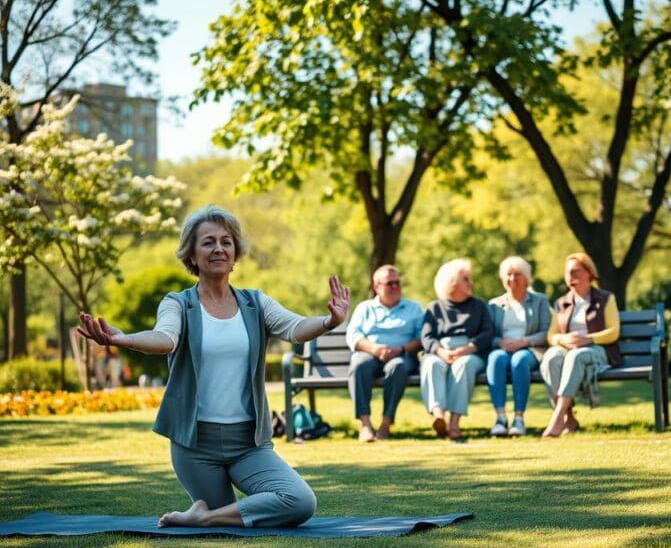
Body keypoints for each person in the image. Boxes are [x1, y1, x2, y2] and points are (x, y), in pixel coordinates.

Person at [78, 205, 350, 528]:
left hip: (248, 444)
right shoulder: (178, 303)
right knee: (234, 518)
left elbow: (294, 328)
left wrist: (328, 321)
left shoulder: (255, 303)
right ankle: (213, 513)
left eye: (226, 242)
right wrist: (124, 339)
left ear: (235, 254)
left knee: (300, 501)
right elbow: (165, 338)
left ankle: (203, 516)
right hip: (195, 445)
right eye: (208, 242)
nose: (219, 248)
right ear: (191, 255)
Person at [540, 252, 620, 438]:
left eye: (576, 271)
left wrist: (588, 339)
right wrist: (563, 339)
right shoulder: (561, 303)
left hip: (598, 351)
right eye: (568, 273)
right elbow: (551, 335)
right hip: (568, 349)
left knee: (577, 356)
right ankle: (569, 418)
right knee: (551, 357)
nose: (571, 276)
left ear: (589, 273)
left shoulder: (606, 298)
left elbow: (614, 332)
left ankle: (557, 417)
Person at [345, 265, 423, 442]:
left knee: (398, 366)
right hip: (370, 354)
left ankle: (386, 423)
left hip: (402, 355)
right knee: (358, 365)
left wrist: (401, 349)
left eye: (397, 283)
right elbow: (353, 336)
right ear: (376, 286)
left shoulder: (414, 308)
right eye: (390, 283)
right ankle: (365, 424)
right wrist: (375, 349)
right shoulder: (364, 308)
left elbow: (421, 338)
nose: (395, 287)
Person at [420, 258, 493, 441]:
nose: (471, 283)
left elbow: (487, 333)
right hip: (441, 351)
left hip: (469, 352)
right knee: (431, 364)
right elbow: (427, 337)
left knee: (464, 365)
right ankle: (439, 416)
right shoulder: (434, 307)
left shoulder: (479, 305)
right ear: (452, 283)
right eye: (466, 279)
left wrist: (466, 349)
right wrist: (441, 352)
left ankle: (454, 423)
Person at [486, 256, 551, 437]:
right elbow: (489, 335)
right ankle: (500, 418)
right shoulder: (494, 304)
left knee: (519, 361)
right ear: (502, 278)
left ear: (527, 278)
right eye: (508, 275)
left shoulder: (539, 301)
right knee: (495, 358)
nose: (512, 279)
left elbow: (547, 332)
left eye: (517, 275)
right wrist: (499, 342)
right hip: (504, 349)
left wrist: (524, 342)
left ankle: (518, 419)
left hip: (530, 350)